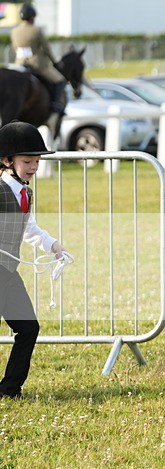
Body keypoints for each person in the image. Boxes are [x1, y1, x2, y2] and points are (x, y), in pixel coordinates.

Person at [0, 121, 67, 399]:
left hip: (6, 272)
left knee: (28, 327)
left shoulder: (25, 192)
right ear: (6, 160)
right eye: (27, 161)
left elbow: (29, 229)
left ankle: (10, 388)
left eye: (37, 161)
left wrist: (53, 245)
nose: (33, 167)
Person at [10, 3, 67, 114]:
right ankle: (55, 104)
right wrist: (54, 61)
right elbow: (46, 48)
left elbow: (14, 48)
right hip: (36, 64)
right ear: (32, 17)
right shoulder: (36, 30)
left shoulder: (14, 31)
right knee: (60, 80)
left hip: (19, 64)